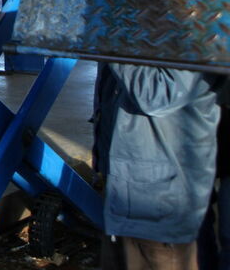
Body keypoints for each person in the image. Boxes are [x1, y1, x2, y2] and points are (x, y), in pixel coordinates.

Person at [94, 63, 224, 270]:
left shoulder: (188, 32)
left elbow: (158, 93)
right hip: (128, 189)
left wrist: (112, 44)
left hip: (162, 200)